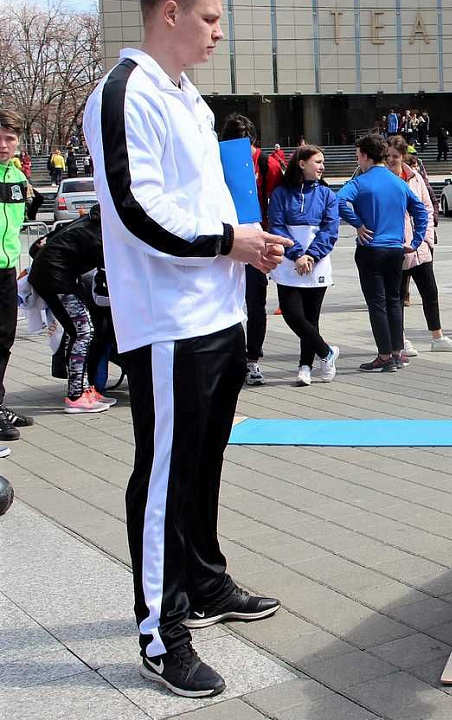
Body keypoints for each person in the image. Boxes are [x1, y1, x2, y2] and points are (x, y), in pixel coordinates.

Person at [83, 0, 292, 695]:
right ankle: (158, 633)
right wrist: (228, 241)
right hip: (169, 320)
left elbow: (208, 199)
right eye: (208, 17)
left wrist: (247, 241)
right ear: (168, 12)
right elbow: (135, 208)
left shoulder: (189, 99)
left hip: (217, 310)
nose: (219, 30)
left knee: (203, 464)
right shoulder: (124, 92)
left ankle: (203, 581)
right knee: (166, 473)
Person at [336, 133, 428, 372]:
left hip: (371, 248)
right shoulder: (398, 181)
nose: (358, 162)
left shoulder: (360, 182)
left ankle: (385, 355)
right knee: (394, 300)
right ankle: (397, 353)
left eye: (358, 157)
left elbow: (338, 202)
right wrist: (416, 240)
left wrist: (357, 223)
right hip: (396, 249)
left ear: (365, 156)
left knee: (376, 303)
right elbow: (420, 210)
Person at [218, 114, 284, 388]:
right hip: (224, 239)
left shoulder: (266, 163)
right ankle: (230, 360)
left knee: (255, 303)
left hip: (255, 238)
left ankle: (252, 359)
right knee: (224, 300)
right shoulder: (215, 160)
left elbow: (278, 201)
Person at [266, 144, 341, 387]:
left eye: (322, 162)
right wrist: (296, 254)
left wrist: (311, 256)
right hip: (288, 263)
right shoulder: (280, 193)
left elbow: (330, 230)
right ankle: (327, 352)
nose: (322, 166)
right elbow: (276, 225)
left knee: (311, 317)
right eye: (317, 162)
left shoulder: (327, 194)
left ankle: (305, 366)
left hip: (316, 265)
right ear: (301, 163)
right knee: (292, 314)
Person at [28, 204, 114, 413]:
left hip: (55, 276)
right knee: (83, 331)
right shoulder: (99, 235)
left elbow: (36, 247)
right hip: (57, 279)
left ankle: (83, 389)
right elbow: (112, 267)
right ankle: (76, 395)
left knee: (80, 332)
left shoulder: (85, 223)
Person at [387, 134, 452, 356]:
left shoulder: (415, 177)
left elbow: (427, 208)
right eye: (387, 156)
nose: (391, 160)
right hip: (395, 247)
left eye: (395, 156)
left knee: (430, 291)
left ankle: (437, 336)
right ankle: (400, 339)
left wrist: (426, 239)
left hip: (419, 246)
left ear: (403, 156)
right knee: (398, 295)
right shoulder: (382, 180)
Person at [0, 112, 33, 442]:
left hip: (7, 267)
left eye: (10, 138)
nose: (3, 144)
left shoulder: (15, 176)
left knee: (4, 339)